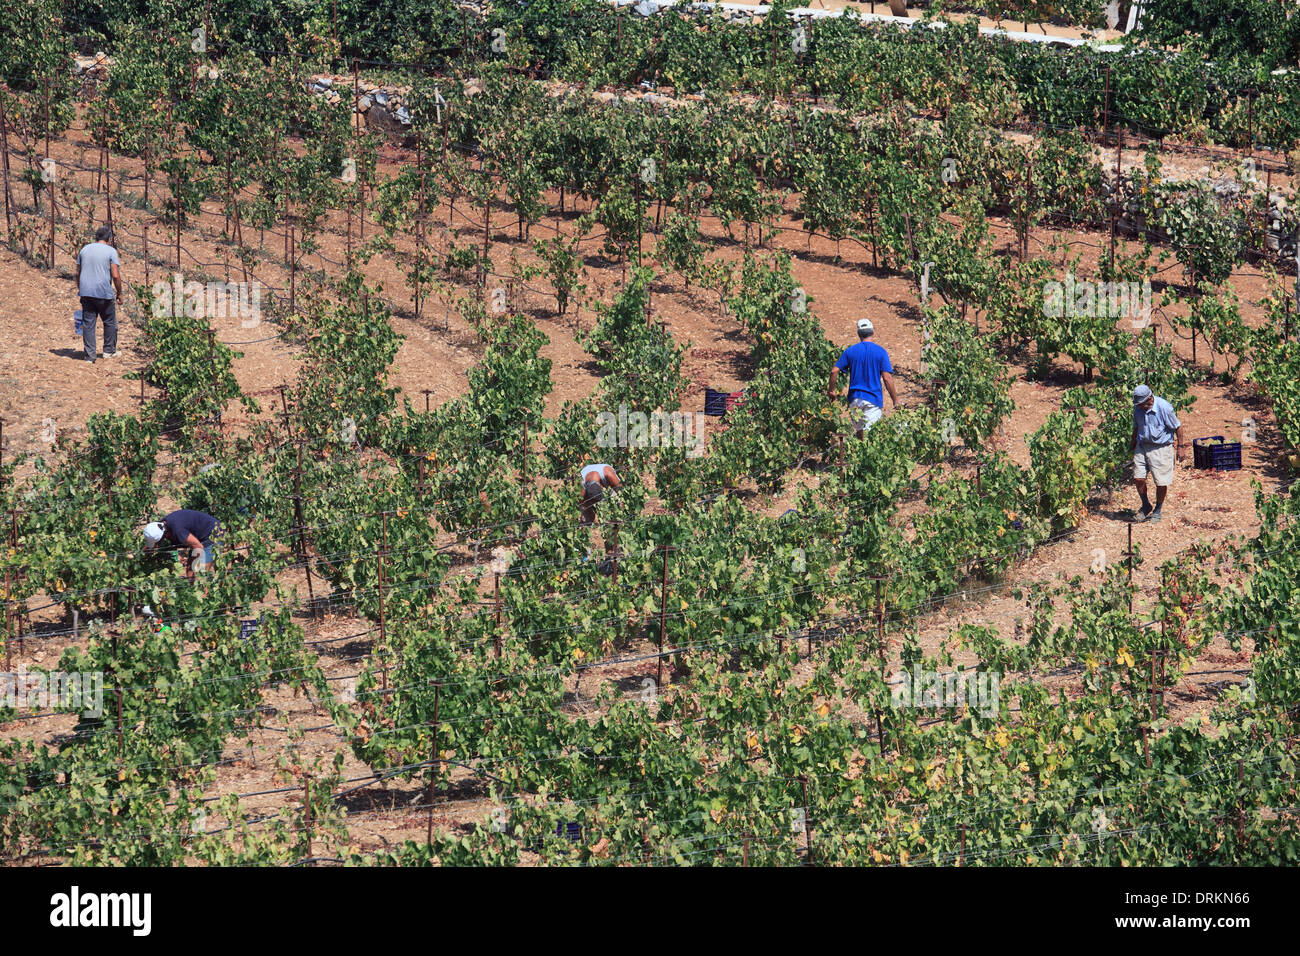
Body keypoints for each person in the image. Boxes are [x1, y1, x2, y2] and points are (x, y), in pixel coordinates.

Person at [828, 318, 902, 438]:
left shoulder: (850, 351)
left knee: (860, 435)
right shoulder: (880, 352)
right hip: (872, 399)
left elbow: (834, 371)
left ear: (858, 334)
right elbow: (887, 378)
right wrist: (895, 399)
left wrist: (832, 390)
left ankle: (857, 456)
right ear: (873, 332)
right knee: (871, 437)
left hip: (854, 399)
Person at [1130, 384, 1186, 524]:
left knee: (1161, 482)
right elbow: (1136, 427)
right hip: (1142, 446)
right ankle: (1146, 505)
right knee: (1138, 478)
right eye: (1138, 404)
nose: (1140, 407)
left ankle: (1158, 509)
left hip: (1161, 448)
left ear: (1150, 399)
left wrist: (1181, 446)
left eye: (1142, 404)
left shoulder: (1164, 407)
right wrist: (1132, 443)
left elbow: (1178, 427)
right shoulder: (1138, 408)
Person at [74, 225, 123, 364]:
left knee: (89, 324)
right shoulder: (111, 251)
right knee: (109, 321)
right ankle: (109, 351)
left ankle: (90, 356)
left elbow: (77, 272)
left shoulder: (84, 249)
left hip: (86, 292)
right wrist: (119, 293)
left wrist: (80, 288)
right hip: (104, 293)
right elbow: (115, 275)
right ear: (109, 239)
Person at [143, 509, 221, 581]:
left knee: (200, 576)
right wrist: (146, 554)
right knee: (190, 574)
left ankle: (204, 595)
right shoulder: (159, 526)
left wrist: (193, 561)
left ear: (164, 535)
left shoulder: (178, 531)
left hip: (213, 535)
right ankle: (193, 593)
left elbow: (198, 547)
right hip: (198, 538)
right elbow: (154, 543)